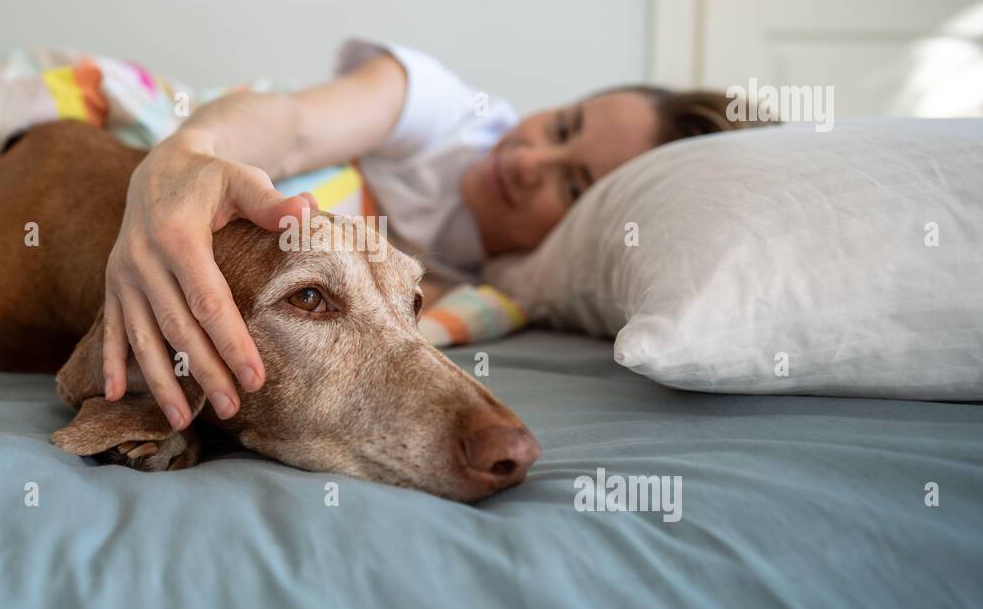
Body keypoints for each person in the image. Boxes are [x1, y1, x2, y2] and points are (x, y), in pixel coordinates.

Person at [102, 39, 756, 431]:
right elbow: (292, 124)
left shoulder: (517, 279)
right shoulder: (443, 110)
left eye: (574, 185)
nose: (528, 162)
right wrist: (190, 152)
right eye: (561, 126)